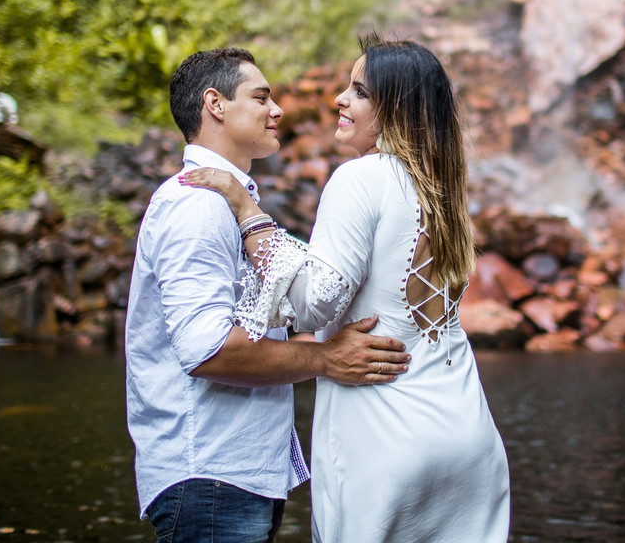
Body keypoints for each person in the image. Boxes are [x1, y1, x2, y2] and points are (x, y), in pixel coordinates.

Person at [181, 36, 511, 543]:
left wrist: (249, 215)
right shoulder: (441, 189)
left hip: (388, 437)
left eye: (359, 92)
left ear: (395, 110)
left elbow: (314, 305)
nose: (339, 99)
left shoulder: (360, 178)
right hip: (469, 437)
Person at [125, 47, 412, 543]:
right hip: (209, 473)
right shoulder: (198, 204)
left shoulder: (230, 201)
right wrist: (326, 359)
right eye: (261, 98)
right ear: (215, 104)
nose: (277, 110)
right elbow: (207, 350)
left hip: (232, 475)